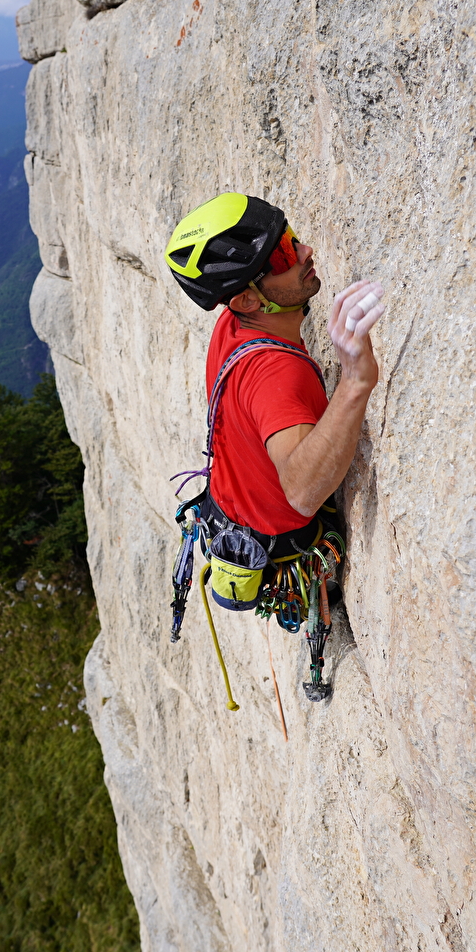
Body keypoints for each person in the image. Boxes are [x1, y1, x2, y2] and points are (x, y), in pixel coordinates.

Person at [164, 192, 385, 698]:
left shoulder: (234, 327)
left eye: (288, 237)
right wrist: (355, 381)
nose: (305, 251)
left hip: (229, 510)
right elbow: (305, 492)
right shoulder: (275, 374)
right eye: (285, 256)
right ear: (245, 299)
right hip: (281, 544)